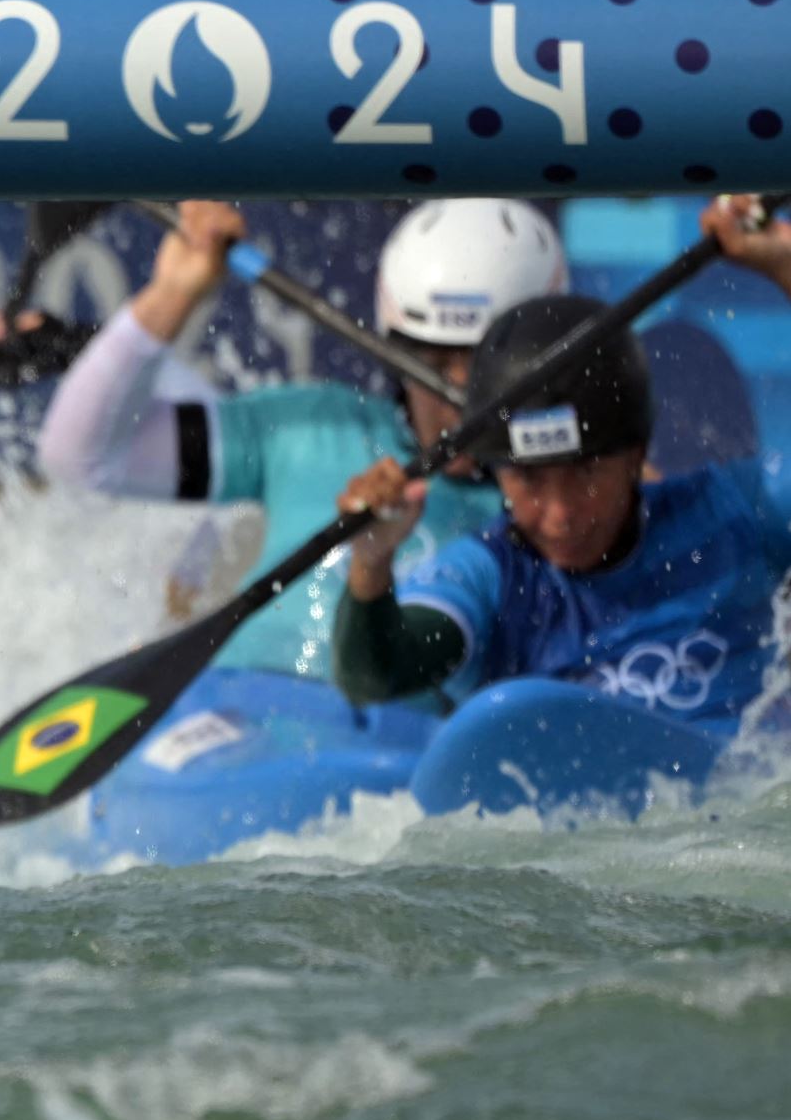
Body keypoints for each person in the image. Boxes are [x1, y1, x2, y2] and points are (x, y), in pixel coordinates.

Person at [6, 198, 569, 862]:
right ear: (396, 346)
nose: (459, 393)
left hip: (401, 756)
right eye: (436, 359)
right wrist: (173, 293)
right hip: (225, 719)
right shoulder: (311, 428)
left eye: (490, 363)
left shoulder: (564, 509)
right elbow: (80, 454)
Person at [332, 197, 791, 816]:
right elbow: (374, 676)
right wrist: (372, 562)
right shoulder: (486, 575)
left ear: (637, 453)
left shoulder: (738, 511)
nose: (559, 514)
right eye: (527, 481)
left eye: (585, 474)